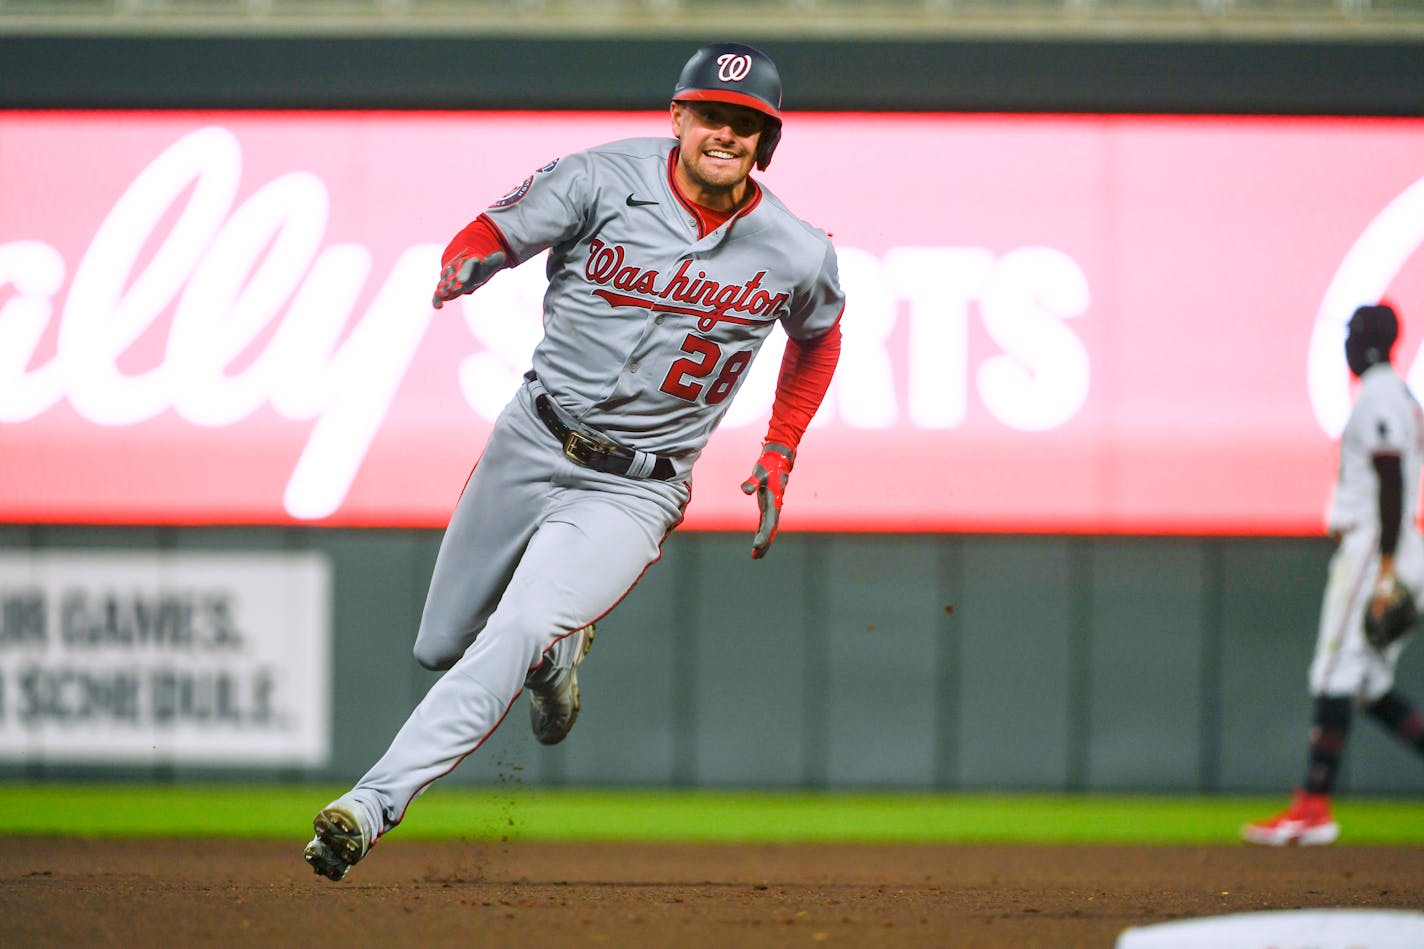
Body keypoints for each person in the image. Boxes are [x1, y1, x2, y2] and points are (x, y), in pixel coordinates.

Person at [302, 41, 845, 881]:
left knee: (514, 627)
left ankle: (368, 806)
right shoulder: (599, 177)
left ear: (766, 141)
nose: (726, 133)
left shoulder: (796, 249)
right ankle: (556, 656)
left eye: (747, 123)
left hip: (634, 487)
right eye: (712, 114)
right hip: (532, 436)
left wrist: (781, 447)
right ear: (678, 116)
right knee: (442, 643)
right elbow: (494, 226)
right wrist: (467, 260)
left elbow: (818, 336)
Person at [1243, 302, 1424, 846]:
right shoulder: (1396, 394)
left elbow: (1391, 476)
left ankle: (1313, 806)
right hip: (1390, 544)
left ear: (1366, 340)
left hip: (1376, 546)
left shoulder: (1380, 394)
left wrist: (1387, 568)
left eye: (1351, 334)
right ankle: (1313, 805)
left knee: (1333, 674)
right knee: (1369, 688)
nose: (1345, 344)